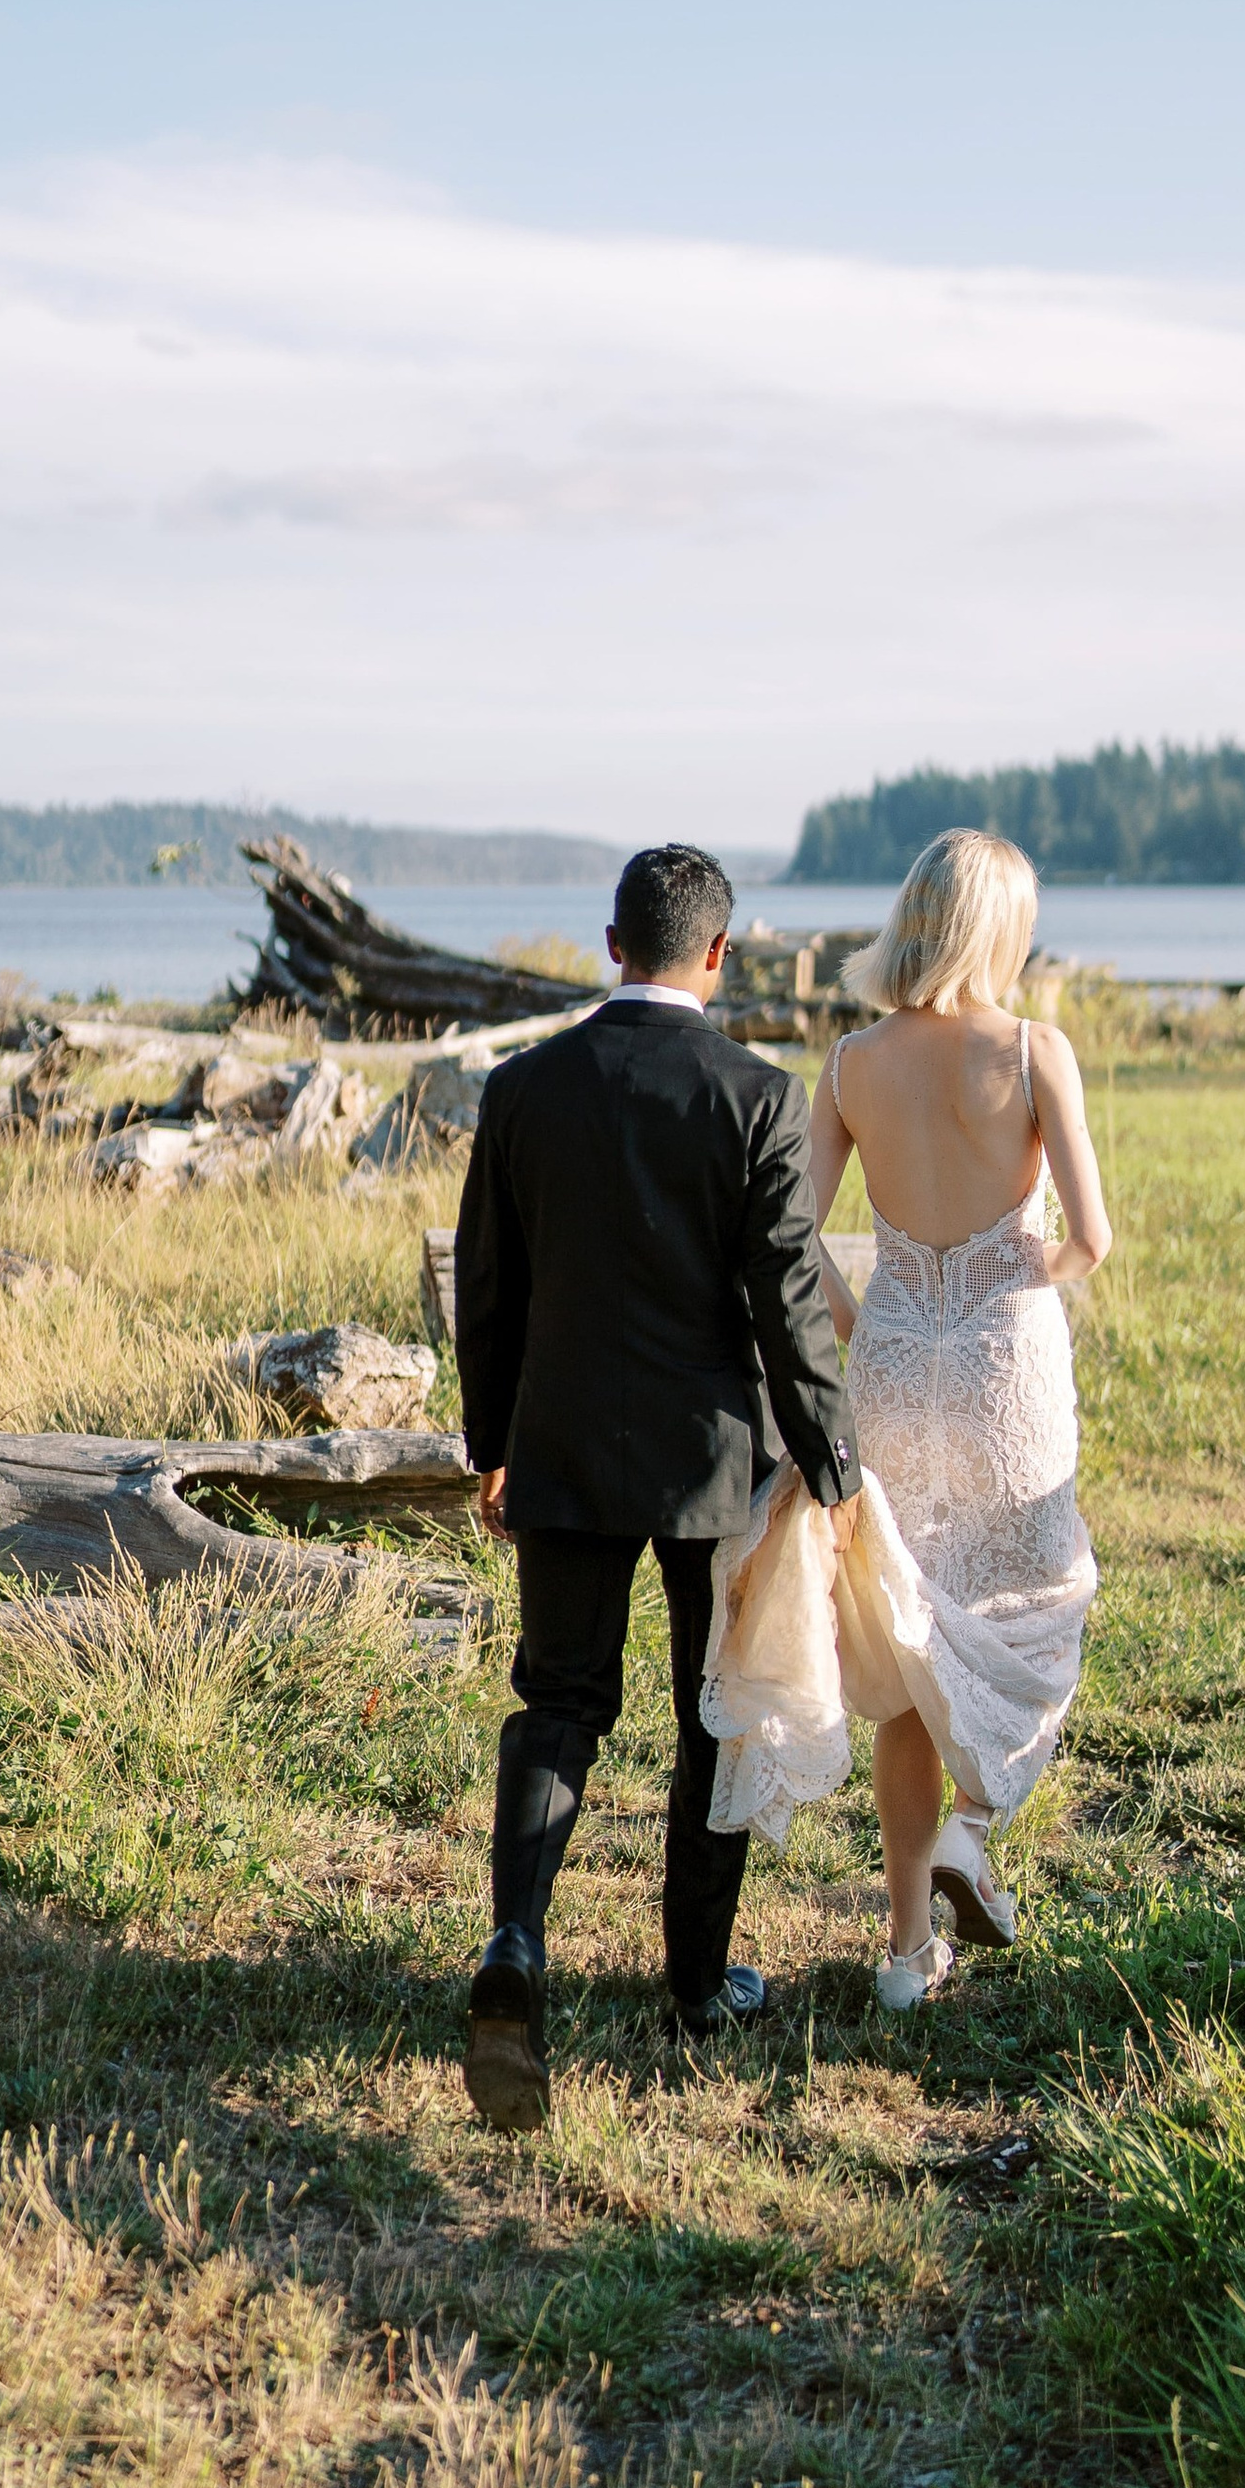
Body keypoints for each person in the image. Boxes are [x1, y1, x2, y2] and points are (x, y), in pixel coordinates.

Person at [452, 840, 858, 2131]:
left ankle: (517, 1942)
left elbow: (488, 1286)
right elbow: (786, 1302)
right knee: (712, 1714)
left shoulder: (523, 1089)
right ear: (719, 956)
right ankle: (694, 1986)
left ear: (611, 944)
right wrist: (832, 1460)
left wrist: (490, 1444)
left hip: (560, 1447)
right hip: (708, 1465)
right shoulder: (757, 1097)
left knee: (559, 1702)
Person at [806, 828, 1110, 2011]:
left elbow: (784, 1229)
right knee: (1037, 1601)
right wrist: (1036, 1259)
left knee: (906, 1638)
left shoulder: (850, 1063)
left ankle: (898, 1953)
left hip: (892, 1362)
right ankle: (970, 1835)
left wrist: (855, 1313)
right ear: (1001, 928)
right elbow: (1089, 1237)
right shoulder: (1035, 1051)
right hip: (1001, 1366)